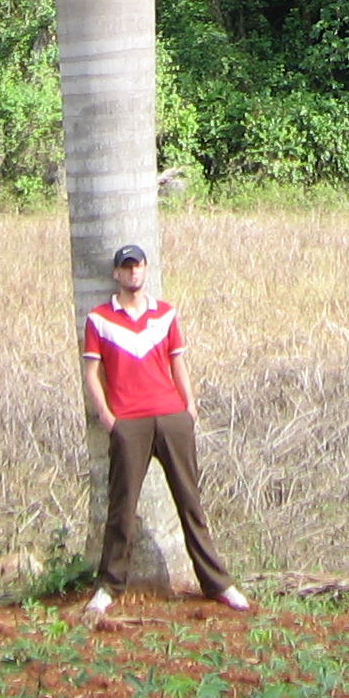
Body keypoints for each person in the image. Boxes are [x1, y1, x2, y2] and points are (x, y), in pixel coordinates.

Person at [80, 243, 250, 624]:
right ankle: (108, 587)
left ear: (145, 270)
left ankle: (218, 584)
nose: (132, 274)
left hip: (170, 416)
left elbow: (178, 361)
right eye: (126, 268)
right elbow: (92, 374)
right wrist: (109, 418)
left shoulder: (165, 314)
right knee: (121, 509)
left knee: (190, 502)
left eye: (137, 266)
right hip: (130, 422)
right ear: (117, 275)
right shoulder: (100, 319)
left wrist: (188, 408)